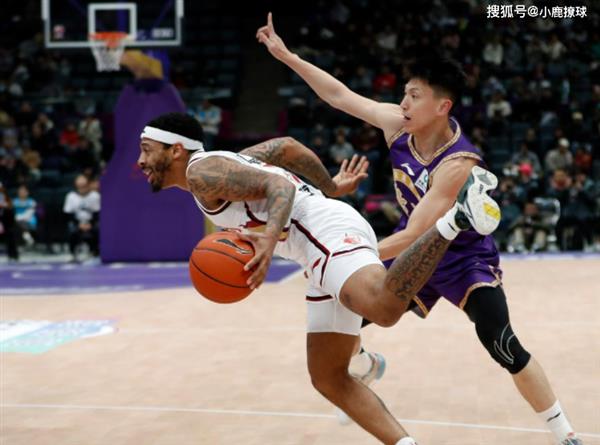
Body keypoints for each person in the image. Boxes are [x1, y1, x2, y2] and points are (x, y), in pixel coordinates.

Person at [257, 12, 583, 445]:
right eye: (404, 94)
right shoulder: (397, 126)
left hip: (462, 259)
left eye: (414, 96)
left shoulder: (458, 163)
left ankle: (565, 434)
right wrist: (287, 56)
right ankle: (365, 364)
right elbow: (339, 95)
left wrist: (344, 255)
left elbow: (415, 234)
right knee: (345, 305)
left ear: (442, 107)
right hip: (414, 255)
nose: (404, 103)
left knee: (501, 342)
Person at [138, 112, 500, 445]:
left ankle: (456, 218)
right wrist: (331, 186)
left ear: (176, 150)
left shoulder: (202, 173)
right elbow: (286, 147)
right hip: (316, 245)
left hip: (325, 234)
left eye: (147, 149)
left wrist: (269, 237)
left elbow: (281, 188)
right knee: (328, 376)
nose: (139, 161)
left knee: (383, 308)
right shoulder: (223, 164)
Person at [63, 174, 100, 261]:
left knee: (98, 228)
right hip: (77, 222)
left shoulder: (95, 196)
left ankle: (95, 252)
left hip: (91, 222)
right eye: (80, 186)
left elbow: (97, 214)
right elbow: (68, 215)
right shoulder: (71, 196)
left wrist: (90, 224)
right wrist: (79, 224)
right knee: (72, 229)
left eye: (84, 185)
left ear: (88, 184)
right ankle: (72, 253)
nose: (82, 188)